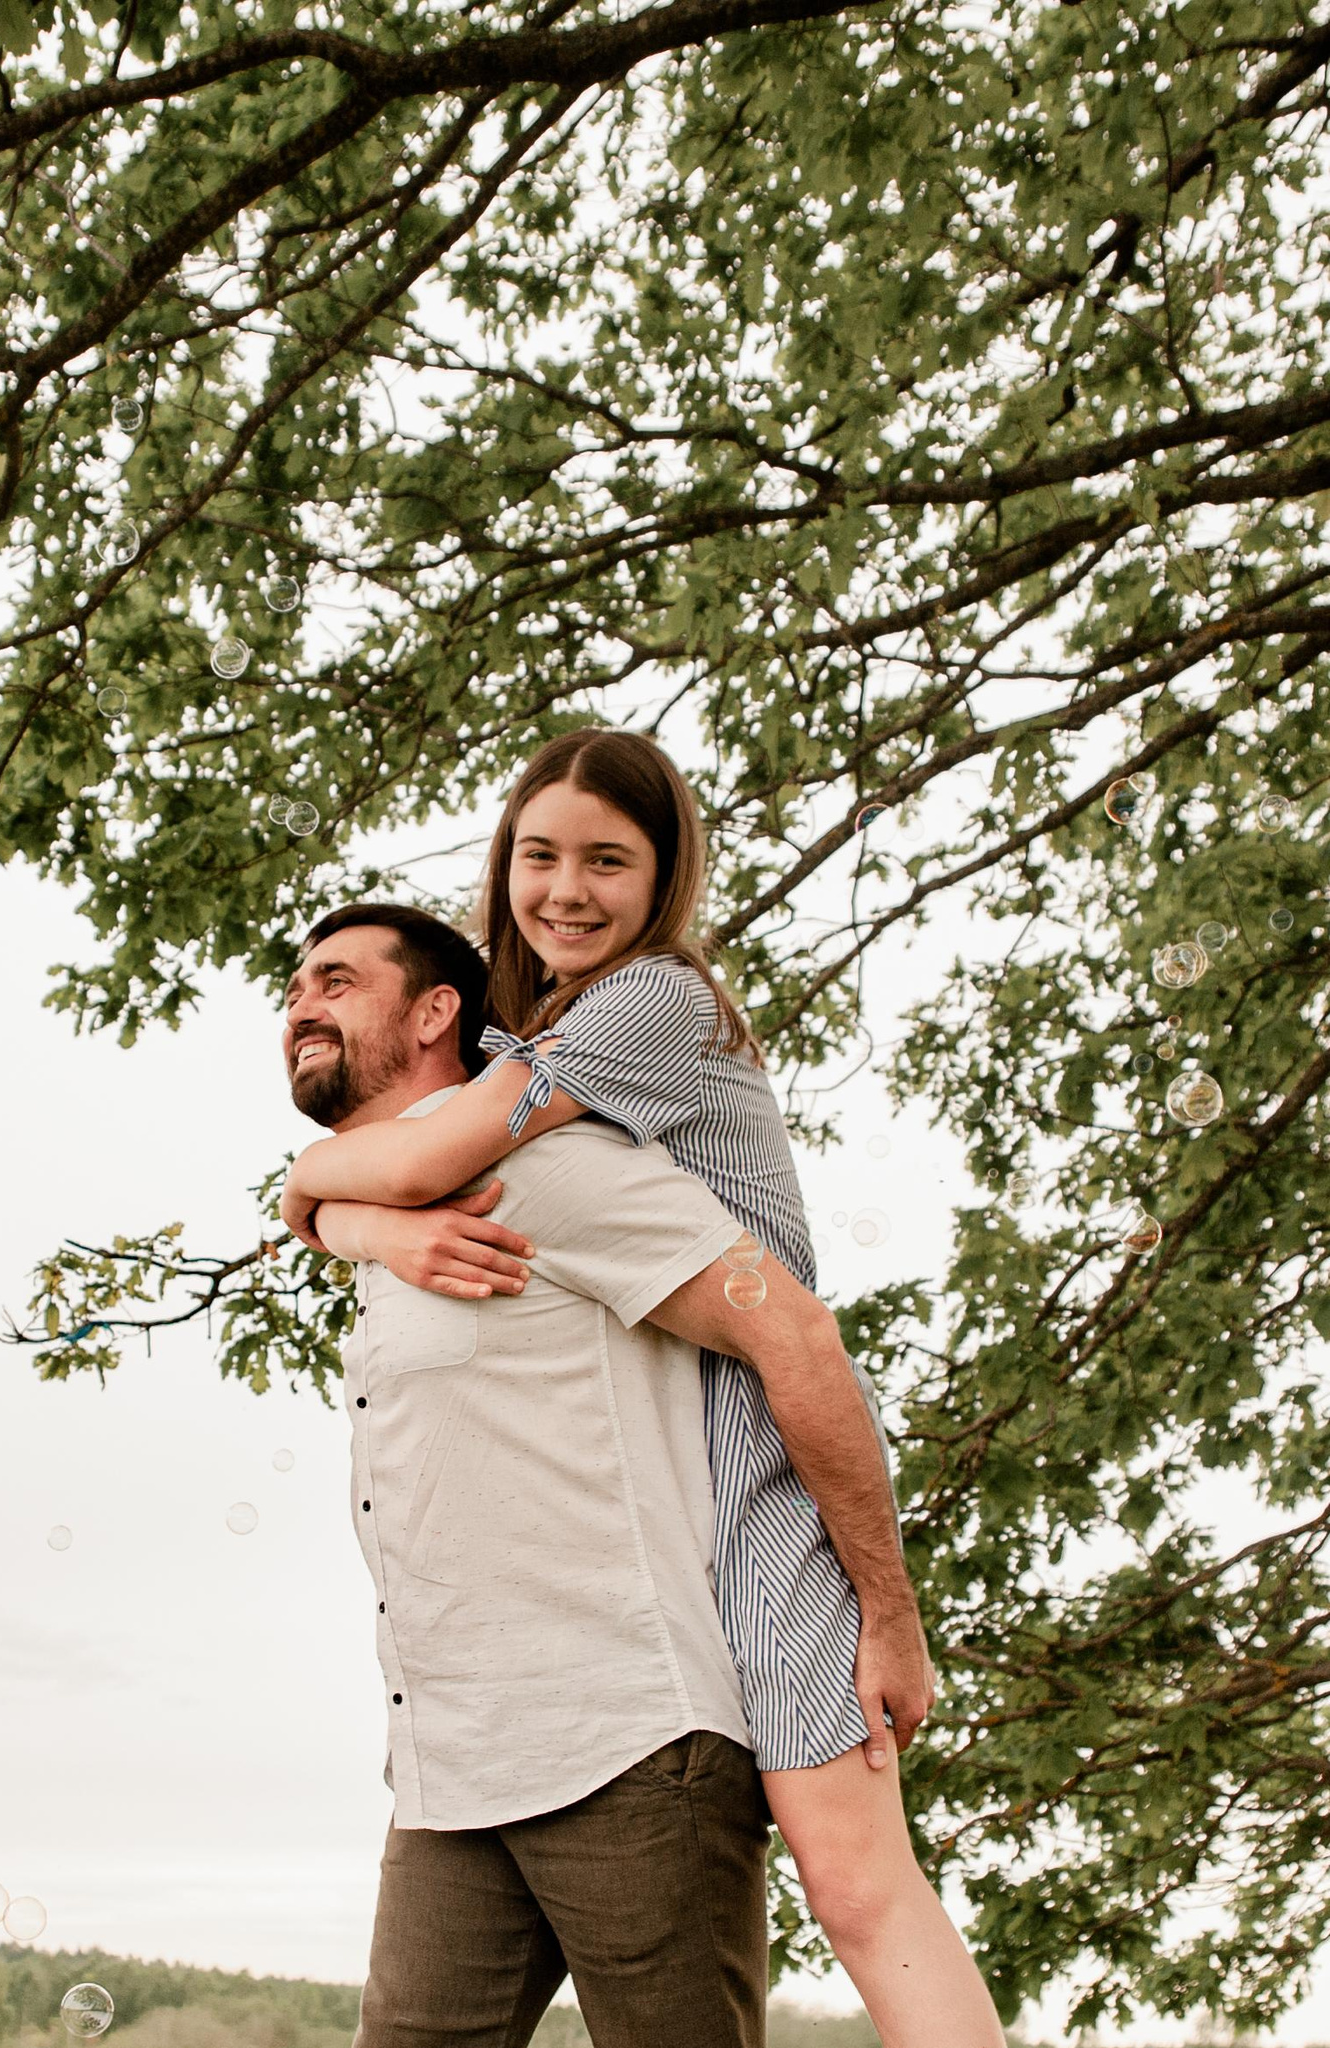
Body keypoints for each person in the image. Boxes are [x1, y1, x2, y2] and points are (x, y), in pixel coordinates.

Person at [281, 729, 1004, 2047]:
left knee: (857, 1886)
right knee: (845, 1885)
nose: (566, 890)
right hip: (682, 1474)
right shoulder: (544, 1039)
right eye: (539, 856)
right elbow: (379, 1167)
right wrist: (358, 1227)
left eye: (608, 860)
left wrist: (890, 1617)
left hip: (766, 1455)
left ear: (664, 879)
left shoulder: (648, 1004)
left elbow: (414, 1155)